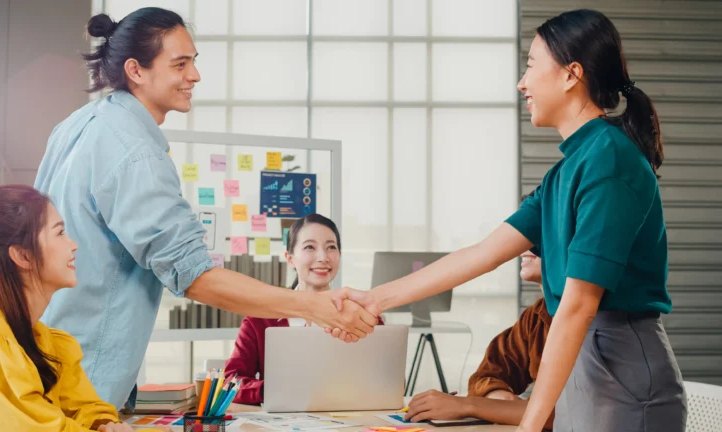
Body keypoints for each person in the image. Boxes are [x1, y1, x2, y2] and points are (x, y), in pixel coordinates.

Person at [332, 9, 687, 432]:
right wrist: (376, 299)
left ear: (571, 74)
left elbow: (577, 307)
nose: (522, 82)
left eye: (532, 65)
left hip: (622, 370)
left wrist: (528, 426)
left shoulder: (608, 160)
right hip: (584, 364)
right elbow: (481, 255)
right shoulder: (567, 170)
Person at [34, 7, 376, 410]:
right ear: (136, 70)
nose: (194, 76)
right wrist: (311, 306)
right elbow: (193, 275)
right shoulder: (135, 153)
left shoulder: (78, 124)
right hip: (85, 377)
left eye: (193, 62)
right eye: (180, 64)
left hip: (48, 359)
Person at [0, 185, 166, 432]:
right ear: (23, 256)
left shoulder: (42, 339)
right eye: (60, 233)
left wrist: (105, 424)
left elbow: (83, 408)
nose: (73, 245)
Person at [224, 214, 385, 405]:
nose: (323, 257)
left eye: (331, 247)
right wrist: (269, 390)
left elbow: (388, 381)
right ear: (290, 259)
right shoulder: (260, 320)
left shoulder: (361, 316)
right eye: (309, 247)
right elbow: (230, 383)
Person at [404, 251, 554, 430]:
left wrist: (466, 406)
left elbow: (562, 414)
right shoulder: (535, 317)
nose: (522, 250)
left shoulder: (591, 322)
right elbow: (485, 376)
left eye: (539, 237)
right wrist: (502, 400)